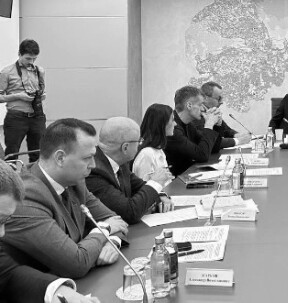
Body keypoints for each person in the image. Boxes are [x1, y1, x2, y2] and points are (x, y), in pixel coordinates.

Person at [2, 118, 128, 279]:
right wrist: (104, 229)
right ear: (60, 158)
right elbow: (76, 264)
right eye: (87, 158)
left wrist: (114, 242)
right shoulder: (25, 197)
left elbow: (117, 221)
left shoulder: (76, 183)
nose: (93, 165)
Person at [0, 161, 101, 303]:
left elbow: (10, 275)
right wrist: (102, 232)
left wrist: (60, 292)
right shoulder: (33, 194)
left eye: (5, 221)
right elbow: (74, 263)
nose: (2, 233)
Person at [85, 117, 174, 225]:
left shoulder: (120, 162)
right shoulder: (94, 172)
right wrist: (156, 183)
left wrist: (160, 195)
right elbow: (129, 213)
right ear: (125, 148)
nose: (140, 144)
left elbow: (139, 185)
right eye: (139, 141)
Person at [0, 39, 46, 162]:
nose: (31, 62)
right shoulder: (7, 72)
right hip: (16, 117)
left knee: (39, 154)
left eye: (34, 59)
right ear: (19, 54)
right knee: (12, 154)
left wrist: (41, 95)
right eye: (28, 58)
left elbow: (42, 90)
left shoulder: (40, 71)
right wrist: (18, 96)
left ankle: (35, 174)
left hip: (37, 116)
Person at [164, 86, 222, 176]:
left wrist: (216, 125)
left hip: (187, 175)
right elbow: (202, 155)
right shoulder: (173, 129)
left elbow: (213, 148)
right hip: (174, 180)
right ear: (189, 105)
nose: (203, 109)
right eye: (200, 105)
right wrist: (209, 125)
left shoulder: (189, 125)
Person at [195, 81, 250, 151]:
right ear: (205, 98)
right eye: (219, 98)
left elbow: (226, 130)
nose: (222, 102)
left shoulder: (211, 111)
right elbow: (209, 142)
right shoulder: (196, 114)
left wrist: (236, 135)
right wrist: (237, 141)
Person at [133, 103, 176, 181]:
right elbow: (145, 186)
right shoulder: (147, 154)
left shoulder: (158, 150)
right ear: (162, 123)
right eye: (172, 120)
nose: (175, 124)